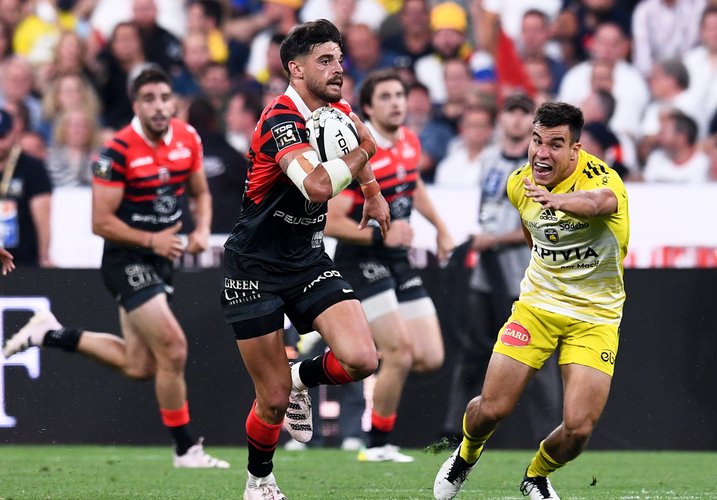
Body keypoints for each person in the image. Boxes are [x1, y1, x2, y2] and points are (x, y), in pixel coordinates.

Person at [2, 67, 228, 469]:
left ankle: (49, 334)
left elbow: (200, 193)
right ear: (136, 105)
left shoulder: (187, 138)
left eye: (165, 98)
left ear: (173, 102)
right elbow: (100, 222)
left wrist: (202, 229)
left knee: (139, 365)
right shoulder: (116, 152)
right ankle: (186, 450)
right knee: (173, 348)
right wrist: (152, 241)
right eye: (149, 99)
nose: (159, 106)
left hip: (162, 259)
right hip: (127, 259)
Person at [219, 20, 390, 500]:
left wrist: (372, 192)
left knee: (362, 359)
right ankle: (259, 480)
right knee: (272, 401)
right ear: (296, 69)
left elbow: (354, 142)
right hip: (253, 267)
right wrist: (366, 152)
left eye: (339, 59)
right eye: (325, 61)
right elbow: (317, 186)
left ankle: (300, 376)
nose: (338, 69)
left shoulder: (338, 108)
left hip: (308, 259)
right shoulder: (280, 120)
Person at [433, 102, 630, 500]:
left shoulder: (605, 180)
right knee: (491, 408)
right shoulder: (518, 184)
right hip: (537, 308)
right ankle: (466, 455)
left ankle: (536, 475)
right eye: (536, 141)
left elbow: (598, 204)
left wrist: (560, 202)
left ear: (575, 150)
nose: (541, 152)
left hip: (595, 317)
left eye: (555, 144)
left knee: (578, 429)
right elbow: (533, 236)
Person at [325, 68, 451, 462]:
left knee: (429, 356)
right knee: (399, 351)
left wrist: (441, 228)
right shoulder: (358, 154)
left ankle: (341, 360)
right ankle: (376, 444)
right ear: (368, 107)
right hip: (362, 259)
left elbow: (414, 185)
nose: (396, 103)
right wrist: (381, 235)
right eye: (386, 97)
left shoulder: (410, 141)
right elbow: (331, 221)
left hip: (396, 257)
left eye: (400, 95)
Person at [439, 93, 563, 445]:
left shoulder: (543, 167)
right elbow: (485, 210)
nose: (516, 120)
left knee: (538, 361)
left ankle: (550, 437)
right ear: (502, 120)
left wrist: (493, 239)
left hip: (528, 276)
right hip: (486, 275)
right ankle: (454, 430)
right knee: (474, 352)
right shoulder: (490, 160)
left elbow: (544, 223)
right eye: (511, 113)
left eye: (524, 114)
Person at [0, 108, 53, 267]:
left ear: (13, 133)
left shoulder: (32, 167)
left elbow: (43, 217)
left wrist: (44, 255)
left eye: (2, 137)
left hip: (23, 259)